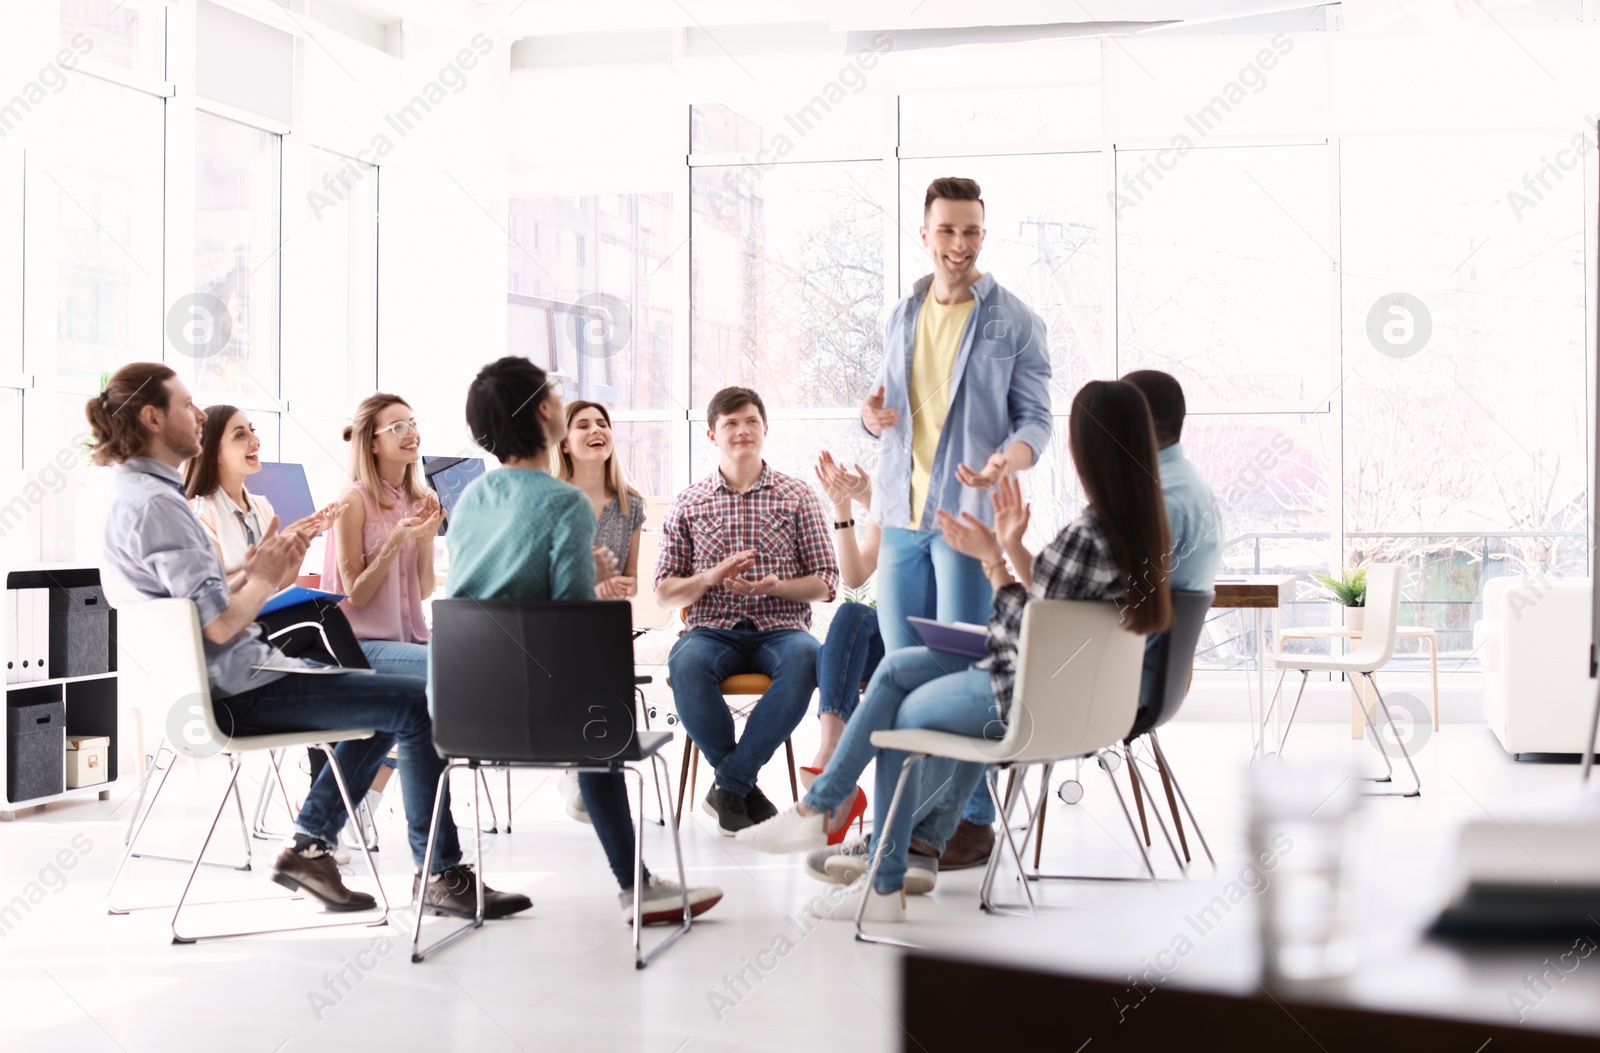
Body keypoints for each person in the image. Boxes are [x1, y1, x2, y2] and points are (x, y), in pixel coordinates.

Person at [90, 363, 529, 920]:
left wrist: (249, 570)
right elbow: (219, 626)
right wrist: (267, 580)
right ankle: (436, 874)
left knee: (388, 698)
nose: (199, 414)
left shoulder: (136, 496)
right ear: (153, 417)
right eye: (187, 404)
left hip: (221, 682)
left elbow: (191, 605)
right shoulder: (162, 505)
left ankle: (312, 849)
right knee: (413, 704)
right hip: (238, 690)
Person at [738, 381, 1172, 923]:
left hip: (1024, 696)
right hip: (1063, 693)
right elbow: (1056, 604)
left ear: (1091, 450)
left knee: (897, 704)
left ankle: (875, 868)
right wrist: (1010, 545)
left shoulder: (1090, 532)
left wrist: (992, 561)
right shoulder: (1140, 528)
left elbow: (1025, 621)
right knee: (898, 668)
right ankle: (856, 819)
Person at [444, 356, 722, 925]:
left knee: (592, 721)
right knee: (600, 730)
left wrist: (581, 570)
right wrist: (591, 579)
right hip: (550, 720)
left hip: (464, 713)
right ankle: (637, 886)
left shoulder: (471, 498)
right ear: (547, 415)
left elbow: (488, 594)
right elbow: (568, 624)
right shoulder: (564, 503)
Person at [858, 176, 1052, 869]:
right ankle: (905, 817)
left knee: (970, 665)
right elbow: (883, 402)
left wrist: (1008, 458)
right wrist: (870, 415)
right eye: (947, 231)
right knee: (904, 668)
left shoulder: (1013, 320)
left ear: (982, 234)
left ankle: (970, 820)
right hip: (901, 519)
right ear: (925, 234)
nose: (959, 245)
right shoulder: (901, 313)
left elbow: (1037, 419)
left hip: (968, 520)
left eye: (971, 231)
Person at [655, 387, 844, 837]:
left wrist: (777, 585)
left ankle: (730, 783)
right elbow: (665, 592)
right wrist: (709, 578)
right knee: (686, 662)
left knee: (806, 658)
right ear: (711, 435)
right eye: (730, 424)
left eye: (750, 422)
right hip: (711, 630)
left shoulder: (798, 496)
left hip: (780, 630)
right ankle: (738, 788)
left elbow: (826, 581)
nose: (742, 431)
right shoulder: (689, 502)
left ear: (764, 430)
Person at [553, 399, 648, 823]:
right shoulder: (551, 500)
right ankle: (585, 768)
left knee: (600, 645)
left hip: (605, 623)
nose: (597, 430)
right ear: (565, 442)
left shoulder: (630, 504)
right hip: (555, 622)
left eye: (603, 423)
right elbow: (541, 579)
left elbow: (631, 580)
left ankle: (589, 766)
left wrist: (620, 585)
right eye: (584, 424)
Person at [1121, 370, 1223, 710]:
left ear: (1135, 421)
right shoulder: (1190, 485)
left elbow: (1112, 599)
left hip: (1120, 682)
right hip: (1157, 682)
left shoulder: (1160, 498)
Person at [806, 451, 883, 779]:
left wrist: (870, 497)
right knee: (838, 641)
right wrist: (843, 506)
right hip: (892, 638)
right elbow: (855, 577)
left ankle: (841, 770)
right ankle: (833, 748)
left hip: (931, 639)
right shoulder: (892, 499)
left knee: (832, 655)